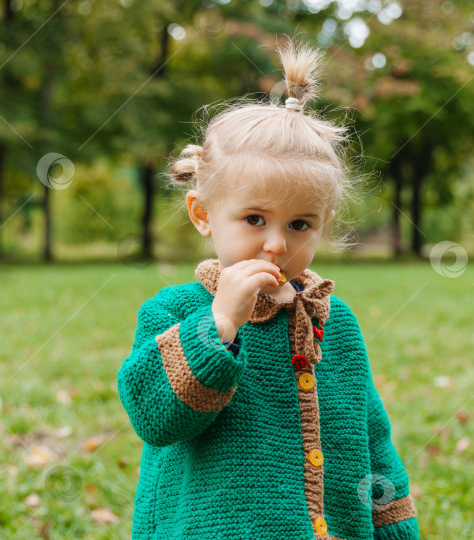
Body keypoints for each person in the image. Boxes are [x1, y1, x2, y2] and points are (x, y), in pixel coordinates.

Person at [117, 37, 420, 540]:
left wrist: (394, 526)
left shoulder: (334, 320)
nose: (277, 244)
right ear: (202, 214)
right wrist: (219, 325)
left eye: (301, 224)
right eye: (254, 218)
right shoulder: (177, 310)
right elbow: (154, 417)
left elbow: (371, 433)